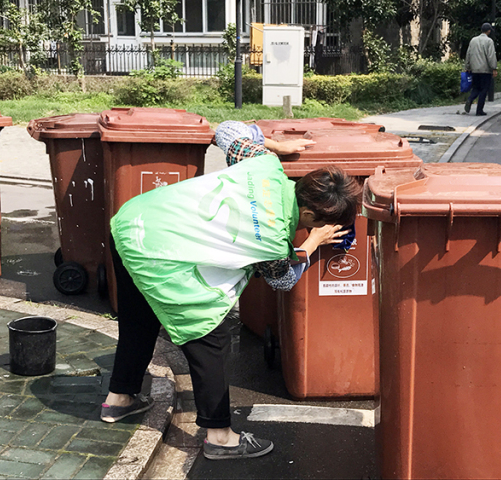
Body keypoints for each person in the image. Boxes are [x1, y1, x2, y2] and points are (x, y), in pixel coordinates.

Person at [100, 120, 362, 460]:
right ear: (310, 214)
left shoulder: (263, 165)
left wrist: (272, 144)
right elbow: (282, 279)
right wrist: (313, 243)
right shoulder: (271, 240)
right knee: (209, 336)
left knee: (139, 321)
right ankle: (220, 436)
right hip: (158, 254)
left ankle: (119, 400)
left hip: (132, 223)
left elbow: (226, 130)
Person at [464, 22, 498, 116]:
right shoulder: (489, 41)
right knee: (484, 90)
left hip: (474, 69)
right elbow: (491, 56)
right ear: (489, 31)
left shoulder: (473, 40)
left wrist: (467, 67)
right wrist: (494, 68)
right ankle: (479, 110)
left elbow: (468, 54)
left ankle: (470, 99)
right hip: (485, 70)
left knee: (476, 88)